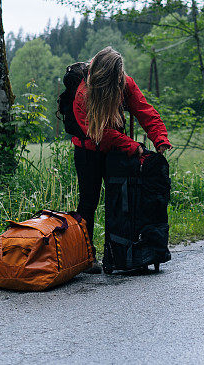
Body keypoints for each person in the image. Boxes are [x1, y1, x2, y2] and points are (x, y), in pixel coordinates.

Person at [72, 46, 171, 273]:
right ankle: (87, 258)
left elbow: (145, 110)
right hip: (88, 150)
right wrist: (133, 146)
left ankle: (120, 252)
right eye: (116, 77)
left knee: (121, 198)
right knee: (88, 202)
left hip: (115, 149)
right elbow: (100, 133)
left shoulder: (124, 82)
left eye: (120, 76)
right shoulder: (82, 94)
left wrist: (160, 138)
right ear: (104, 75)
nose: (120, 80)